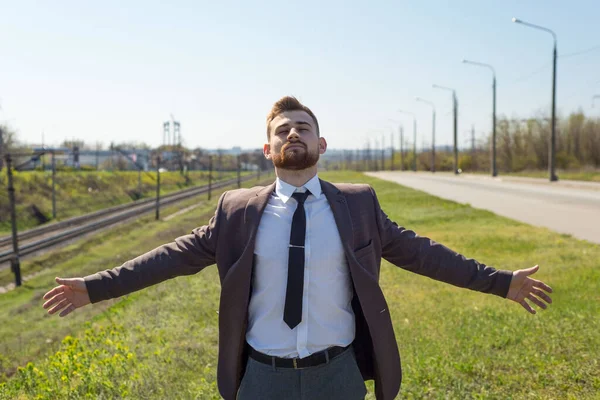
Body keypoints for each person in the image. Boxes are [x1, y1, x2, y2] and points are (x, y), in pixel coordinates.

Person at [42, 96, 553, 400]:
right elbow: (172, 256)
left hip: (339, 374)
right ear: (267, 150)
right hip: (262, 378)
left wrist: (500, 282)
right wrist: (95, 288)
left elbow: (422, 253)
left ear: (321, 145)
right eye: (281, 130)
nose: (293, 133)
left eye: (303, 127)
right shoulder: (237, 209)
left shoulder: (358, 205)